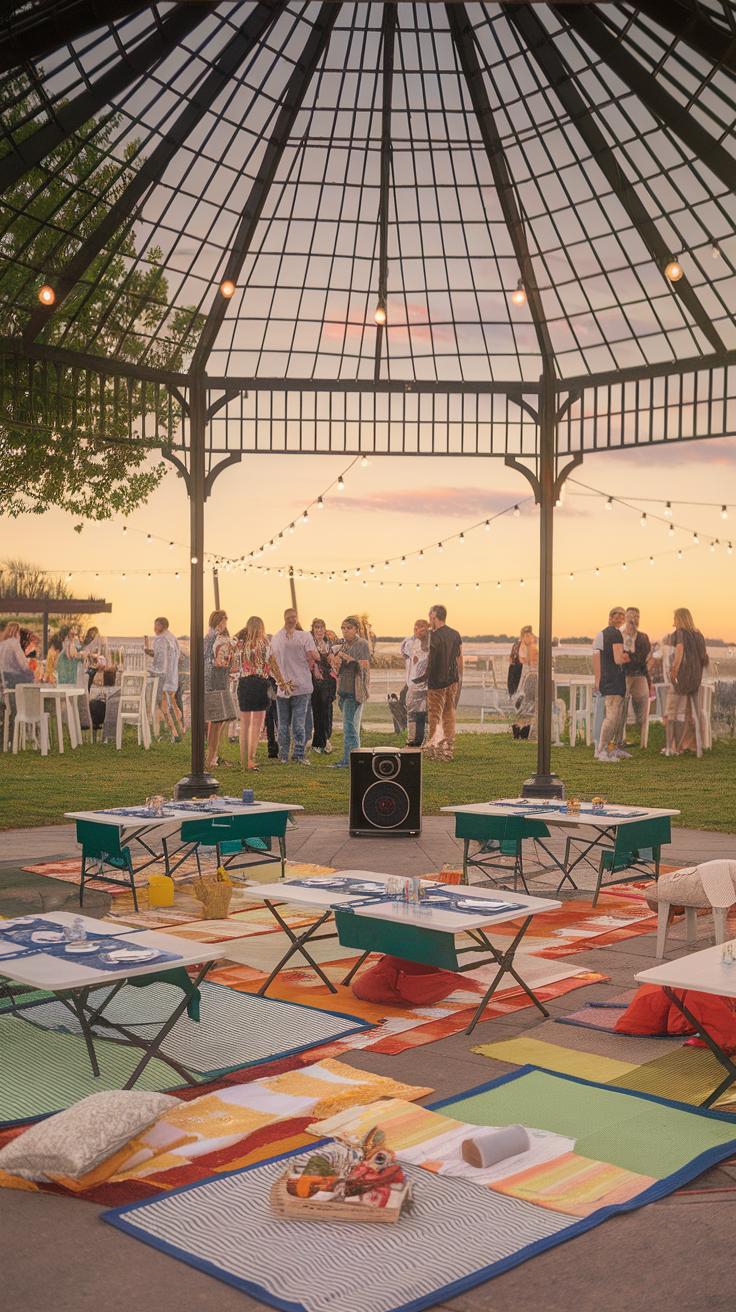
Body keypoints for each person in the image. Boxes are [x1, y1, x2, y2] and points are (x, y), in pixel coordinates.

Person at [270, 608, 320, 765]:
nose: (292, 619)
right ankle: (288, 754)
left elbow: (315, 656)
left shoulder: (302, 636)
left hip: (300, 686)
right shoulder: (280, 637)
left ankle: (292, 754)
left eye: (293, 617)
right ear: (285, 618)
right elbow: (272, 662)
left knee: (293, 723)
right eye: (289, 617)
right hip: (285, 686)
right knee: (287, 724)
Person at [666, 607, 709, 756]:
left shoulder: (679, 634)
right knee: (694, 713)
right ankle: (696, 745)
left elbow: (678, 655)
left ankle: (674, 746)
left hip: (683, 679)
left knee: (675, 712)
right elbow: (704, 658)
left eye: (675, 619)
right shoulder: (699, 635)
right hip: (696, 679)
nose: (673, 623)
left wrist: (673, 673)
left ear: (679, 619)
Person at [330, 615, 371, 768]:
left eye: (349, 628)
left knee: (349, 727)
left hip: (355, 690)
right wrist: (336, 662)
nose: (345, 631)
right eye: (343, 628)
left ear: (356, 629)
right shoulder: (343, 645)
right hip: (343, 689)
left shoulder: (361, 644)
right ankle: (353, 759)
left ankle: (349, 761)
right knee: (349, 726)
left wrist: (347, 658)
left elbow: (365, 664)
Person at [425, 604, 463, 762]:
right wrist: (459, 678)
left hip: (436, 682)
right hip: (452, 680)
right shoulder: (455, 634)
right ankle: (447, 747)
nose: (429, 620)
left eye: (430, 617)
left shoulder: (432, 636)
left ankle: (433, 747)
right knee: (449, 714)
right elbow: (460, 659)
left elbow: (427, 659)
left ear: (435, 617)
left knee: (434, 715)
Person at [204, 609, 238, 771]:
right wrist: (214, 662)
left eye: (225, 622)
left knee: (220, 719)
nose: (223, 625)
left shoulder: (223, 639)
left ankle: (213, 755)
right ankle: (211, 757)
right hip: (213, 680)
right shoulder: (210, 637)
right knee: (217, 719)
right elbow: (205, 658)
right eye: (221, 621)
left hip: (221, 678)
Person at [595, 606, 630, 762]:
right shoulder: (616, 634)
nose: (620, 618)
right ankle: (601, 749)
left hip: (606, 679)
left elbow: (597, 659)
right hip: (614, 680)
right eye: (618, 616)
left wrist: (598, 680)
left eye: (622, 616)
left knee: (615, 716)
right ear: (611, 617)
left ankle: (611, 748)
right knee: (612, 717)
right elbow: (618, 659)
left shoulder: (601, 634)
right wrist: (628, 657)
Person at [145, 616, 184, 742]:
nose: (154, 628)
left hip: (163, 679)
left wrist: (149, 670)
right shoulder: (172, 638)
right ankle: (181, 729)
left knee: (164, 706)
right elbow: (170, 656)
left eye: (156, 625)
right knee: (173, 704)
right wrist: (150, 652)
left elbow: (160, 663)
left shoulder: (160, 639)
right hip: (173, 676)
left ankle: (174, 733)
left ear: (162, 626)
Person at [622, 607, 651, 741]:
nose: (634, 619)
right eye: (631, 616)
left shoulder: (643, 637)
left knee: (643, 700)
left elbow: (642, 658)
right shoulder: (619, 635)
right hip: (623, 674)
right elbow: (620, 658)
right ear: (626, 618)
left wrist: (629, 657)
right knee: (622, 704)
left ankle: (643, 738)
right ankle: (620, 737)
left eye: (637, 617)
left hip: (639, 673)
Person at [310, 618, 336, 754]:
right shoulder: (310, 642)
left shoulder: (328, 642)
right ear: (313, 629)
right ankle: (319, 742)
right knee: (318, 711)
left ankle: (326, 739)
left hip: (329, 680)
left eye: (321, 627)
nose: (319, 630)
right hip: (316, 680)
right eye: (317, 627)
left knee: (328, 710)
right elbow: (309, 658)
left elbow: (332, 658)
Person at [402, 619, 429, 747]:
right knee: (412, 710)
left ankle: (425, 739)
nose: (422, 631)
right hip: (413, 682)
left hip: (429, 683)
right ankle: (412, 738)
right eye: (419, 628)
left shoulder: (432, 642)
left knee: (426, 712)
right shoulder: (409, 642)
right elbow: (407, 654)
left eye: (425, 628)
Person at [511, 626, 538, 740]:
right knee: (528, 702)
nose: (531, 637)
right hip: (530, 677)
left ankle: (520, 728)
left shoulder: (520, 646)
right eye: (528, 635)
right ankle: (523, 729)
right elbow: (530, 663)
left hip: (526, 678)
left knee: (525, 703)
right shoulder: (529, 647)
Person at [0, 622, 34, 688]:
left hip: (4, 680)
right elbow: (24, 666)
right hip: (14, 679)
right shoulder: (15, 643)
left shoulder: (1, 644)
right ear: (17, 633)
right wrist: (31, 669)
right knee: (33, 677)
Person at [81, 625, 108, 691]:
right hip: (92, 665)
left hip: (96, 665)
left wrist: (90, 654)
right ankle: (87, 691)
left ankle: (87, 691)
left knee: (89, 674)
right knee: (88, 675)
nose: (92, 635)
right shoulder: (91, 642)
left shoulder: (99, 640)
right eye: (91, 633)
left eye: (93, 633)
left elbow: (98, 655)